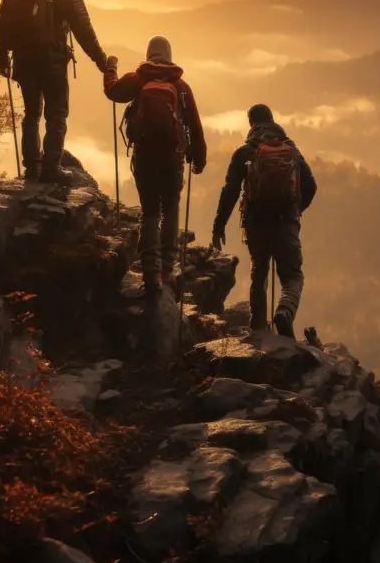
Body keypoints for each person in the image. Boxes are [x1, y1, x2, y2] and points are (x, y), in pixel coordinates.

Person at [0, 0, 108, 183]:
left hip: (24, 58)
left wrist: (2, 57)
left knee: (31, 113)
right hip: (52, 60)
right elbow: (83, 29)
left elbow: (0, 19)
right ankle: (51, 168)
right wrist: (102, 61)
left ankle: (31, 168)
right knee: (56, 114)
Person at [104, 37, 207, 298]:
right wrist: (198, 159)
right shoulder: (180, 85)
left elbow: (113, 91)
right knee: (170, 208)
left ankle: (150, 273)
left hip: (145, 156)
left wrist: (111, 67)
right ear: (169, 55)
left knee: (150, 213)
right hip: (173, 157)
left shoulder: (139, 78)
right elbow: (195, 126)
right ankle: (166, 269)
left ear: (149, 53)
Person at [211, 104, 316, 338]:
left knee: (259, 272)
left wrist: (218, 227)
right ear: (272, 120)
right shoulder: (291, 150)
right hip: (285, 222)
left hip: (255, 223)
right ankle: (285, 310)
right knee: (292, 276)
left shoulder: (244, 152)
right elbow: (311, 185)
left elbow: (230, 191)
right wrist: (295, 211)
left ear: (251, 123)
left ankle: (257, 328)